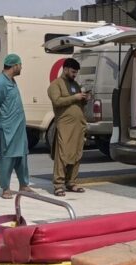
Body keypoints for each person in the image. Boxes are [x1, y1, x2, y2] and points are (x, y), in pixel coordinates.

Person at [0, 54, 32, 200]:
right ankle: (5, 188)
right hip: (7, 128)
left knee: (21, 157)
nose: (21, 68)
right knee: (7, 158)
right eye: (20, 65)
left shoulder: (11, 81)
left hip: (18, 127)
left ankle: (24, 185)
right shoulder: (0, 82)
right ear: (14, 66)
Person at [47, 58, 88, 196]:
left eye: (76, 72)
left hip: (78, 125)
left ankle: (71, 182)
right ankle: (58, 185)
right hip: (65, 125)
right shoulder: (55, 85)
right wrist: (75, 97)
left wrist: (84, 99)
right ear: (65, 69)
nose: (75, 75)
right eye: (73, 72)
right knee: (63, 154)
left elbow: (78, 102)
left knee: (77, 153)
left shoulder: (75, 85)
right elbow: (57, 101)